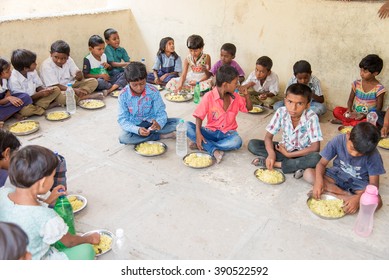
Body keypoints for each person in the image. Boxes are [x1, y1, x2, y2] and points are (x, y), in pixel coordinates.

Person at [0, 145, 100, 260]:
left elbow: (25, 211)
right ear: (42, 182)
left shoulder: (3, 193)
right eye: (52, 176)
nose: (53, 180)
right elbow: (70, 242)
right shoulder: (46, 217)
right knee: (86, 250)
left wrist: (49, 200)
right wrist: (89, 238)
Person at [303, 122, 385, 214]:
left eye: (360, 153)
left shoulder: (373, 155)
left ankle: (333, 194)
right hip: (336, 176)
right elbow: (321, 164)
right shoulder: (338, 140)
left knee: (377, 201)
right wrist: (319, 182)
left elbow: (374, 185)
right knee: (308, 173)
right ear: (348, 135)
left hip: (358, 184)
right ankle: (346, 196)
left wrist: (358, 199)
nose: (354, 154)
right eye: (352, 148)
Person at [248, 83, 322, 176]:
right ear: (285, 101)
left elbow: (315, 147)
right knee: (253, 144)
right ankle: (295, 166)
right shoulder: (281, 112)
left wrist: (289, 155)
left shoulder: (312, 117)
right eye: (290, 102)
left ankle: (276, 164)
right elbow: (268, 137)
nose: (293, 108)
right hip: (283, 149)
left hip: (303, 153)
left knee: (316, 158)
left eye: (299, 103)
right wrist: (271, 154)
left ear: (307, 105)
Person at [187, 65, 253, 163]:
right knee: (186, 126)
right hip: (210, 132)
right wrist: (198, 133)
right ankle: (212, 148)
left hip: (227, 134)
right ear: (225, 84)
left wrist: (246, 94)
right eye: (235, 83)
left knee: (237, 141)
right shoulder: (209, 96)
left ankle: (206, 145)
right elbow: (199, 116)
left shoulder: (236, 97)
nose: (237, 85)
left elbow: (249, 108)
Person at [118, 61, 179, 145]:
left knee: (178, 122)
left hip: (152, 122)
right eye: (135, 85)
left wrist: (159, 124)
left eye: (142, 83)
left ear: (146, 79)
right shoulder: (123, 95)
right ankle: (159, 136)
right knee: (124, 138)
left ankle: (153, 132)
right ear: (128, 82)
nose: (139, 88)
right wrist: (137, 130)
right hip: (135, 124)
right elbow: (122, 120)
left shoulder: (153, 91)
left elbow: (161, 112)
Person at [331, 54, 386, 126]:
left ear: (375, 73)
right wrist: (349, 109)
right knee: (336, 110)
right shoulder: (356, 84)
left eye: (365, 72)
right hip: (354, 113)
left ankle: (345, 123)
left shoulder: (379, 89)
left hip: (366, 116)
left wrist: (365, 115)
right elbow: (350, 100)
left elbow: (378, 109)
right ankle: (351, 123)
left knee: (369, 122)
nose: (361, 73)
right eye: (361, 70)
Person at [8, 49, 64, 116]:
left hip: (36, 99)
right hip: (25, 103)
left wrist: (45, 91)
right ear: (26, 68)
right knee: (26, 111)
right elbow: (23, 100)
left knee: (56, 89)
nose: (36, 64)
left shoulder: (32, 71)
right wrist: (40, 94)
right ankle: (45, 107)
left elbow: (38, 86)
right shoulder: (13, 80)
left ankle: (39, 108)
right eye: (34, 63)